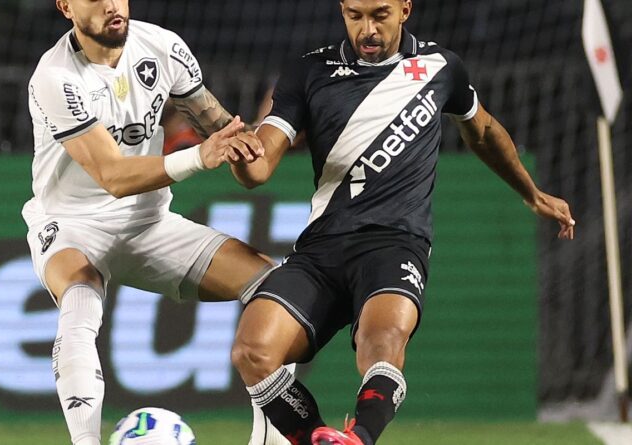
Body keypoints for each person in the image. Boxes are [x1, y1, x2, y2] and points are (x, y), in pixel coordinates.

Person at [223, 1, 576, 444]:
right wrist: (243, 158)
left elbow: (482, 131)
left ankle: (361, 437)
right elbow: (259, 167)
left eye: (380, 14)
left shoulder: (441, 67)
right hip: (321, 249)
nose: (367, 29)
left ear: (405, 8)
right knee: (251, 351)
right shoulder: (309, 71)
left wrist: (531, 191)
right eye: (354, 15)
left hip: (395, 244)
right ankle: (317, 438)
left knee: (382, 338)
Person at [24, 1, 291, 444]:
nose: (113, 5)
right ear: (66, 6)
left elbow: (222, 129)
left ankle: (270, 441)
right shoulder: (55, 77)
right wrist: (200, 157)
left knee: (279, 290)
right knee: (79, 298)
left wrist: (250, 149)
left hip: (149, 222)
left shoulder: (163, 48)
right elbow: (112, 176)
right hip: (72, 224)